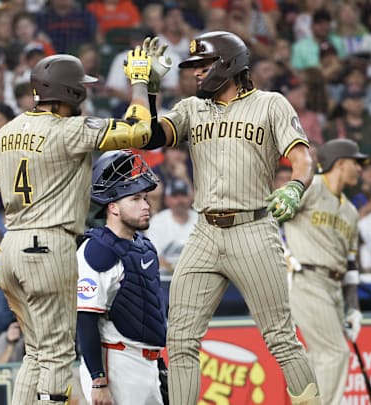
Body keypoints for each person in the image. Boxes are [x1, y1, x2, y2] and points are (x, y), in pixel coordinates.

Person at [130, 32, 320, 404]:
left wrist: (295, 186)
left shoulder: (270, 104)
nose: (196, 74)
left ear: (229, 64)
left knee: (280, 337)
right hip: (204, 233)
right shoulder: (190, 108)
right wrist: (145, 89)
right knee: (180, 339)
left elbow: (303, 158)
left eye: (204, 66)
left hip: (253, 228)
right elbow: (146, 137)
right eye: (194, 68)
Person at [0, 51, 156, 404]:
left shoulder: (6, 132)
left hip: (10, 246)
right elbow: (140, 130)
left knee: (35, 353)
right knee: (55, 353)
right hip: (49, 246)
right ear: (71, 93)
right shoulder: (69, 130)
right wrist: (140, 82)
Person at [76, 150, 165, 405]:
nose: (146, 205)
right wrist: (98, 380)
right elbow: (86, 319)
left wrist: (158, 364)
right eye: (136, 199)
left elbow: (149, 311)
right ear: (112, 207)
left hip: (147, 363)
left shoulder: (143, 245)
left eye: (146, 198)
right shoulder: (97, 250)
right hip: (117, 363)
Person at [284, 139, 365, 405]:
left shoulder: (351, 211)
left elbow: (352, 266)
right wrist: (282, 254)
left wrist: (353, 308)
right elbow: (266, 215)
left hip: (335, 286)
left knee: (320, 357)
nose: (360, 169)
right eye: (356, 162)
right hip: (307, 276)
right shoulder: (311, 187)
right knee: (334, 354)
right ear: (341, 163)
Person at [146, 178, 197, 274]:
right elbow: (153, 256)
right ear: (167, 199)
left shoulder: (199, 220)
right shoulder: (157, 221)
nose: (180, 200)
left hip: (195, 277)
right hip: (165, 279)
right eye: (175, 196)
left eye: (183, 195)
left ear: (190, 198)